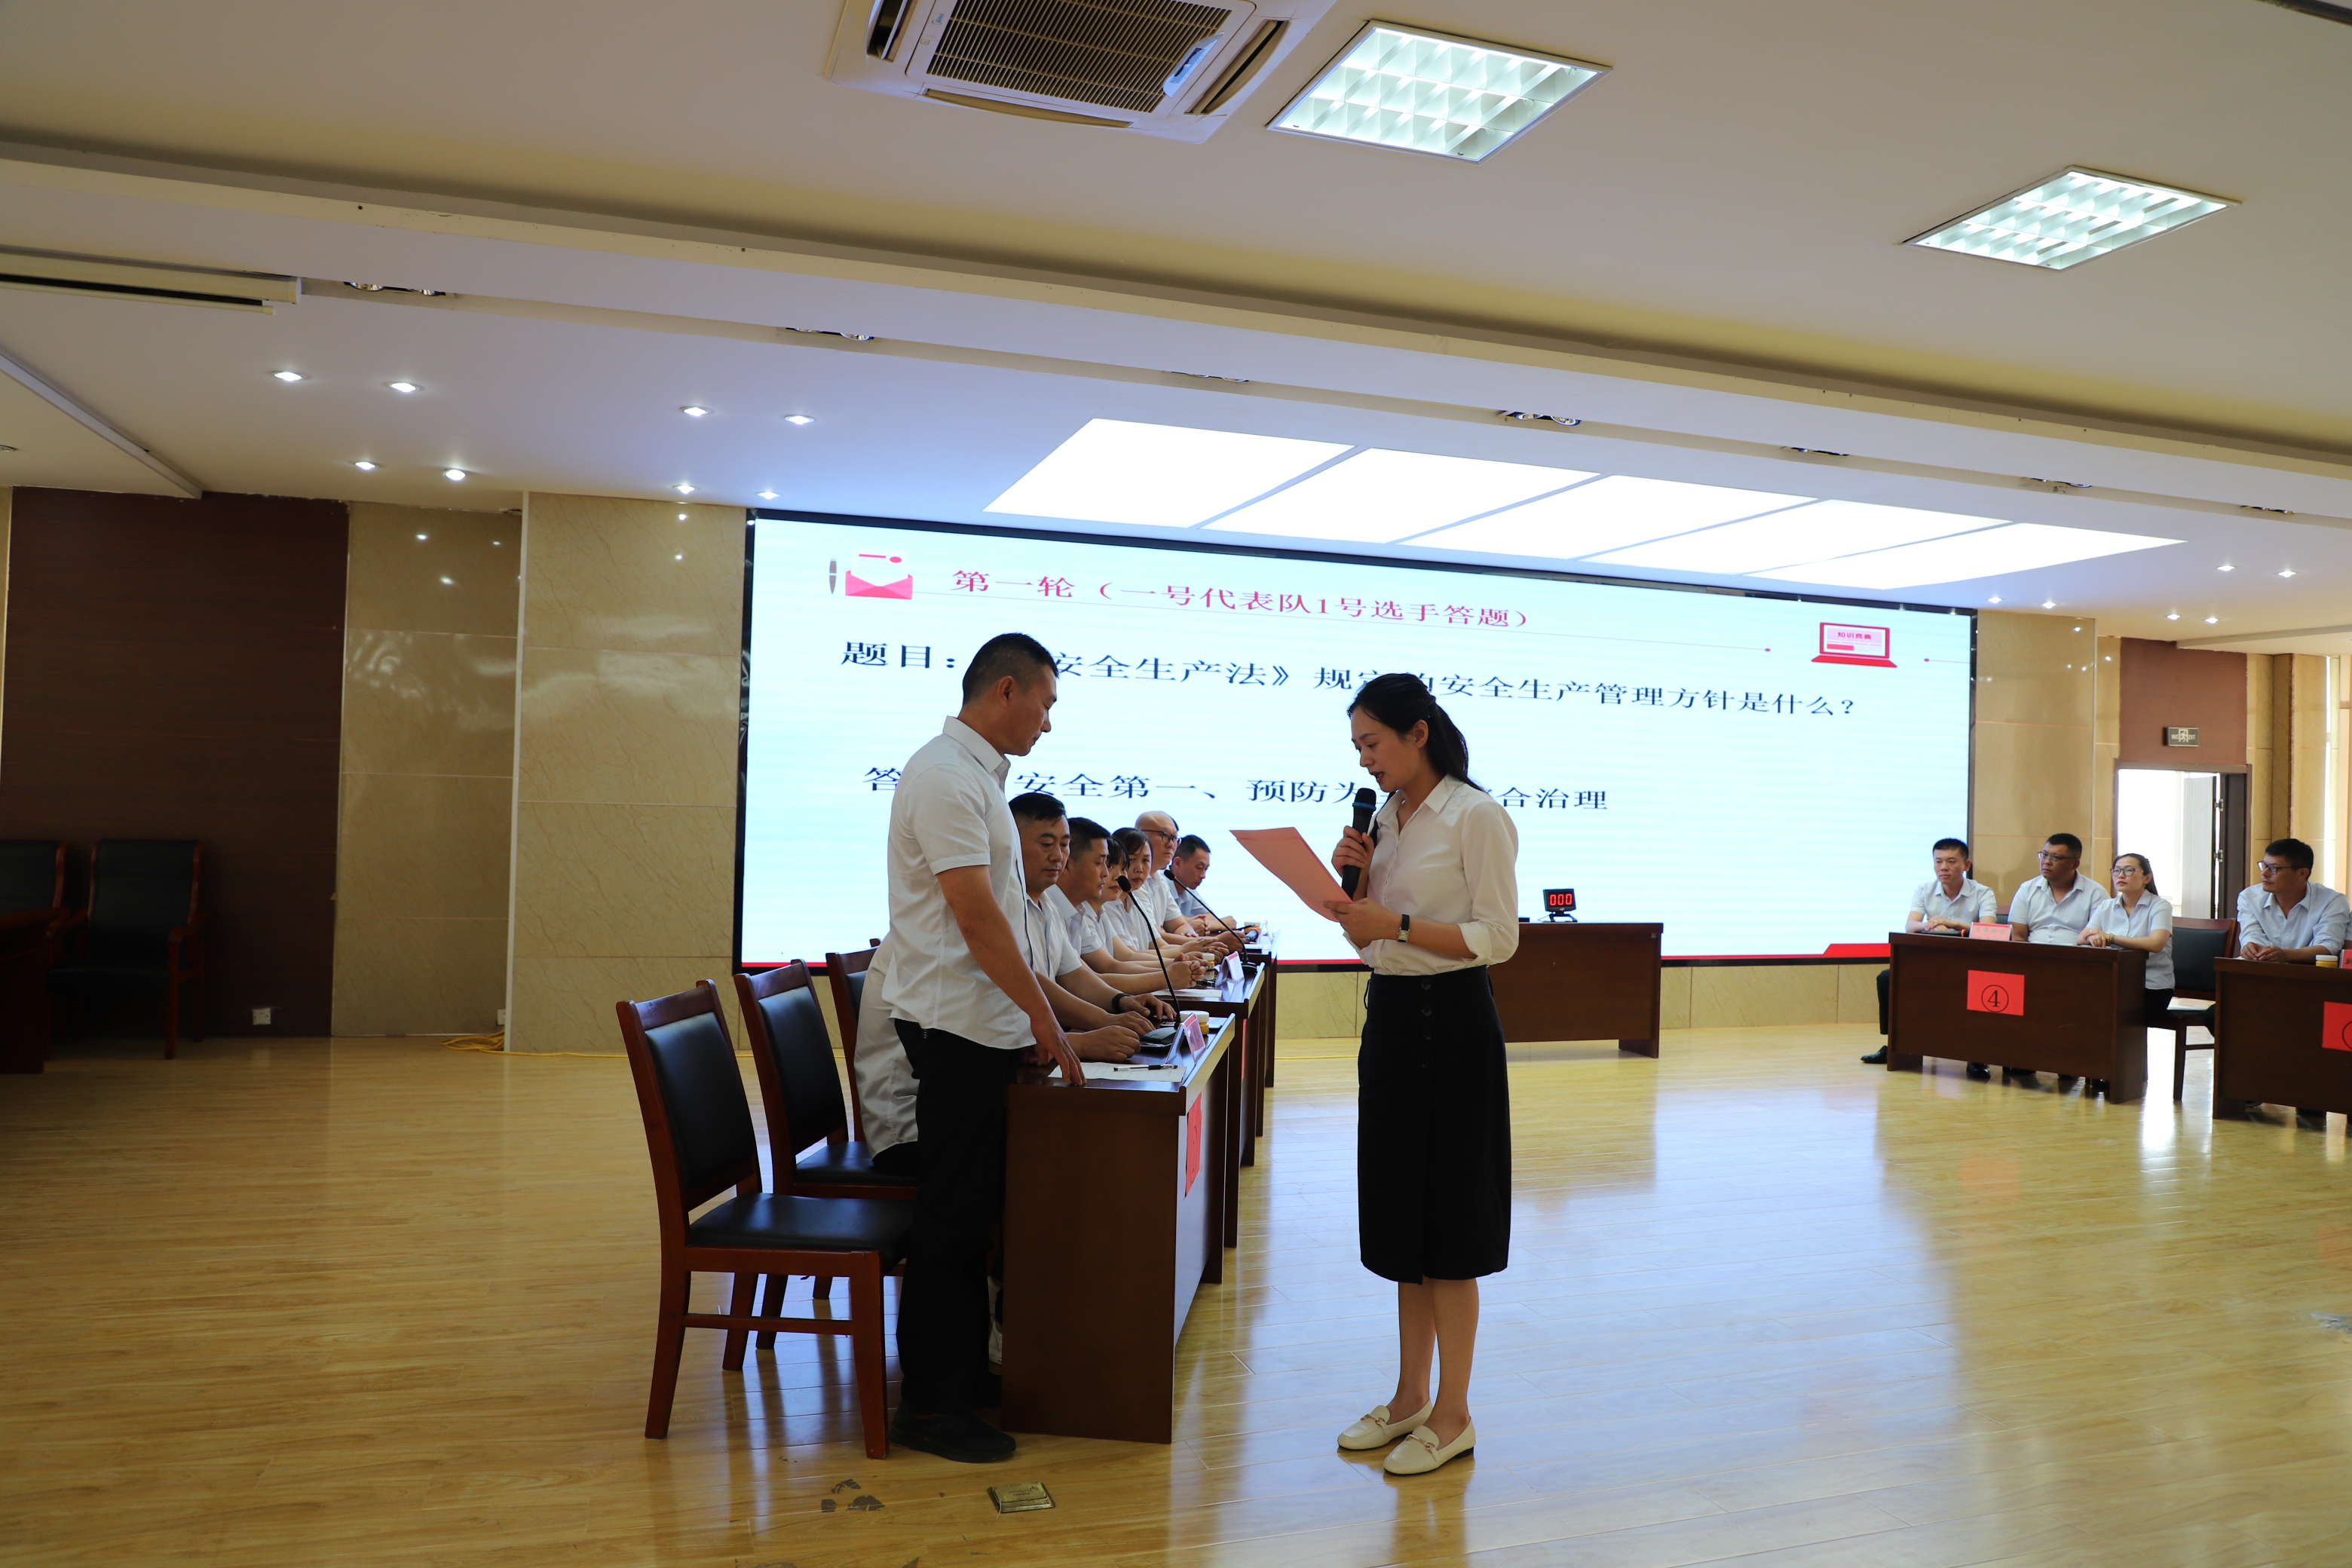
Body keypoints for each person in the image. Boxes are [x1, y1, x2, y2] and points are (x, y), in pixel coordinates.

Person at [876, 632, 1085, 1465]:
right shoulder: (943, 776)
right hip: (953, 1027)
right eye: (1046, 703)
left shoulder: (979, 778)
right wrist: (1042, 1018)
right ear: (1006, 690)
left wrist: (1022, 1026)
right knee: (953, 1219)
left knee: (973, 1219)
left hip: (979, 1027)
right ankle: (929, 1406)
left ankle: (959, 1375)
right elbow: (975, 917)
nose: (1048, 722)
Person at [1323, 673, 1519, 1478]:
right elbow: (1368, 944)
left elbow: (1499, 937)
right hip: (1395, 1022)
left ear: (1419, 733)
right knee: (1403, 1221)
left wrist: (1396, 921)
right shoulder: (1386, 823)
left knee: (1451, 1226)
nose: (1364, 760)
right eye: (1357, 747)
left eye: (1372, 742)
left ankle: (1455, 1411)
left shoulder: (1475, 815)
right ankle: (1408, 1397)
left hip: (1455, 1023)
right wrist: (1354, 891)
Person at [1007, 791, 1177, 1049]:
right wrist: (1103, 1022)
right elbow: (1033, 982)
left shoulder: (1050, 905)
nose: (1058, 856)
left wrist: (1121, 1002)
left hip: (1044, 1039)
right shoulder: (1003, 904)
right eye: (1047, 844)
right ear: (1012, 844)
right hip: (1014, 1046)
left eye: (1064, 845)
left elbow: (1074, 975)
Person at [1861, 838, 1993, 1065]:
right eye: (1938, 861)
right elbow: (1911, 926)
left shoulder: (1982, 892)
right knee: (1887, 978)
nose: (1944, 867)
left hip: (1970, 964)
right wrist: (1930, 925)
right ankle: (1896, 1043)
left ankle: (1976, 1055)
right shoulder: (1925, 890)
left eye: (1951, 861)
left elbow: (1990, 929)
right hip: (1932, 963)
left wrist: (1952, 924)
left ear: (1966, 865)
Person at [1992, 833, 2096, 1083]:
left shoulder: (2095, 893)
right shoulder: (2028, 889)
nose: (2046, 862)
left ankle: (2067, 1060)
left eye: (2055, 858)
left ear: (2075, 864)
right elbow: (2018, 935)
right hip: (2032, 963)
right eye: (2044, 855)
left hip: (2076, 966)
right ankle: (2025, 1057)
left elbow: (2095, 936)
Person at [2079, 853, 2175, 1097]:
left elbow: (2155, 943)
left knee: (2112, 1008)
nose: (2121, 875)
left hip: (2152, 987)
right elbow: (2081, 938)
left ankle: (2117, 1072)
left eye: (2129, 870)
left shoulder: (2160, 906)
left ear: (2147, 878)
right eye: (2117, 870)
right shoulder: (2107, 906)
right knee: (2085, 1004)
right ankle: (2095, 1067)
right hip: (2116, 983)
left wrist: (2110, 937)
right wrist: (2094, 937)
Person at [2236, 837, 2350, 963]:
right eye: (2264, 866)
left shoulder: (2331, 901)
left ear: (2302, 874)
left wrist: (2285, 955)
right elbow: (2252, 936)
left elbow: (2328, 946)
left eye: (2274, 868)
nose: (2265, 873)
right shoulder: (2249, 897)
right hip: (2259, 968)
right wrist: (2251, 948)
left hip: (2307, 972)